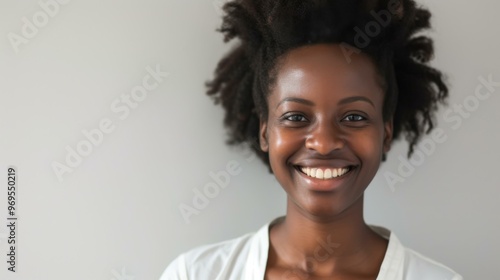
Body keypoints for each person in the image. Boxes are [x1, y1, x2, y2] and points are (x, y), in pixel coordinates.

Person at [161, 0, 462, 279]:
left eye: (354, 117)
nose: (324, 142)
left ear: (385, 133)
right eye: (296, 117)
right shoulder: (194, 274)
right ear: (265, 132)